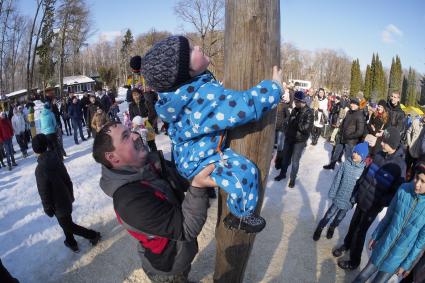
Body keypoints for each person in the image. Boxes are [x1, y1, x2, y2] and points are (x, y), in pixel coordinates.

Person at [136, 35, 282, 233]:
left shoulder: (179, 95)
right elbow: (245, 105)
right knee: (245, 173)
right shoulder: (203, 96)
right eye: (190, 50)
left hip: (188, 155)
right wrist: (274, 88)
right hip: (201, 159)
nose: (197, 46)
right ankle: (242, 215)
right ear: (184, 71)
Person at [93, 121, 215, 282]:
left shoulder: (148, 163)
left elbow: (180, 177)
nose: (136, 135)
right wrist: (198, 185)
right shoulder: (129, 201)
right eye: (126, 136)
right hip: (168, 266)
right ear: (113, 157)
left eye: (130, 131)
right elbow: (186, 228)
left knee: (184, 273)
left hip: (181, 251)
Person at [333, 127, 406, 270]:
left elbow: (396, 193)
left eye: (384, 142)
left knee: (361, 232)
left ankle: (354, 261)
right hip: (362, 197)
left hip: (373, 205)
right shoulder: (379, 154)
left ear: (393, 143)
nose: (381, 143)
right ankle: (347, 244)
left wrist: (380, 201)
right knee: (354, 224)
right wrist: (358, 190)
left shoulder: (399, 166)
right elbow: (366, 173)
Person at [352, 161, 425, 283]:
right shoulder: (404, 190)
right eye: (417, 178)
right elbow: (389, 216)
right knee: (363, 275)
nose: (417, 184)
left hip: (398, 256)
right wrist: (376, 236)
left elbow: (420, 242)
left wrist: (406, 264)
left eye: (423, 182)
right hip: (384, 244)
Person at [32, 133, 101, 253]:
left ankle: (92, 235)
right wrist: (70, 193)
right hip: (66, 196)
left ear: (35, 150)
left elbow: (44, 191)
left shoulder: (40, 169)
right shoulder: (56, 158)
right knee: (66, 222)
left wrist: (48, 207)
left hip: (57, 203)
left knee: (67, 225)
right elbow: (66, 178)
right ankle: (70, 242)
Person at [313, 142, 368, 241]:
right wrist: (333, 191)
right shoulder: (345, 164)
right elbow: (337, 179)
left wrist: (354, 198)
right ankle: (320, 227)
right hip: (339, 195)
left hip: (349, 200)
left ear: (363, 157)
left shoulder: (363, 170)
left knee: (340, 216)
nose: (355, 154)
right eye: (354, 152)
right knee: (330, 213)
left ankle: (332, 227)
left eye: (358, 153)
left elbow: (360, 186)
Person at [274, 91, 314, 188]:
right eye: (295, 101)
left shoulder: (309, 113)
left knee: (295, 161)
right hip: (289, 138)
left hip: (299, 141)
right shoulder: (295, 109)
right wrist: (286, 124)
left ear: (301, 101)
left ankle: (292, 179)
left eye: (296, 101)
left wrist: (296, 122)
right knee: (285, 158)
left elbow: (306, 128)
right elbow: (290, 120)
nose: (294, 103)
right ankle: (282, 174)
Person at [323, 98, 365, 170]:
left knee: (348, 157)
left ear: (357, 105)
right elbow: (344, 122)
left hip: (350, 141)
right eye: (351, 103)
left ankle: (347, 171)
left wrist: (350, 136)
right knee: (336, 152)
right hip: (342, 136)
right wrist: (340, 131)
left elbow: (360, 131)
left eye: (354, 104)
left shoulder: (360, 115)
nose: (352, 105)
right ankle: (332, 165)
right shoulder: (349, 112)